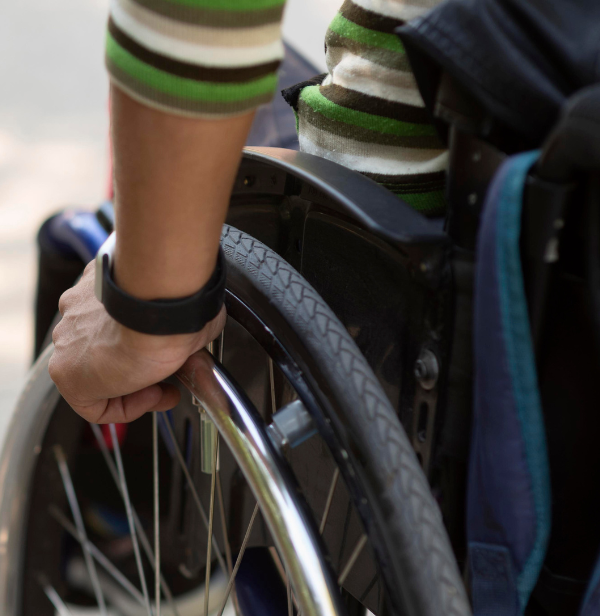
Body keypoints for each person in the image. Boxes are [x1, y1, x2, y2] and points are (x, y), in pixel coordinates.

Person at [49, 0, 449, 424]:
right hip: (487, 268)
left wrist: (147, 313)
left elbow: (199, 15)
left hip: (367, 254)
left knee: (172, 70)